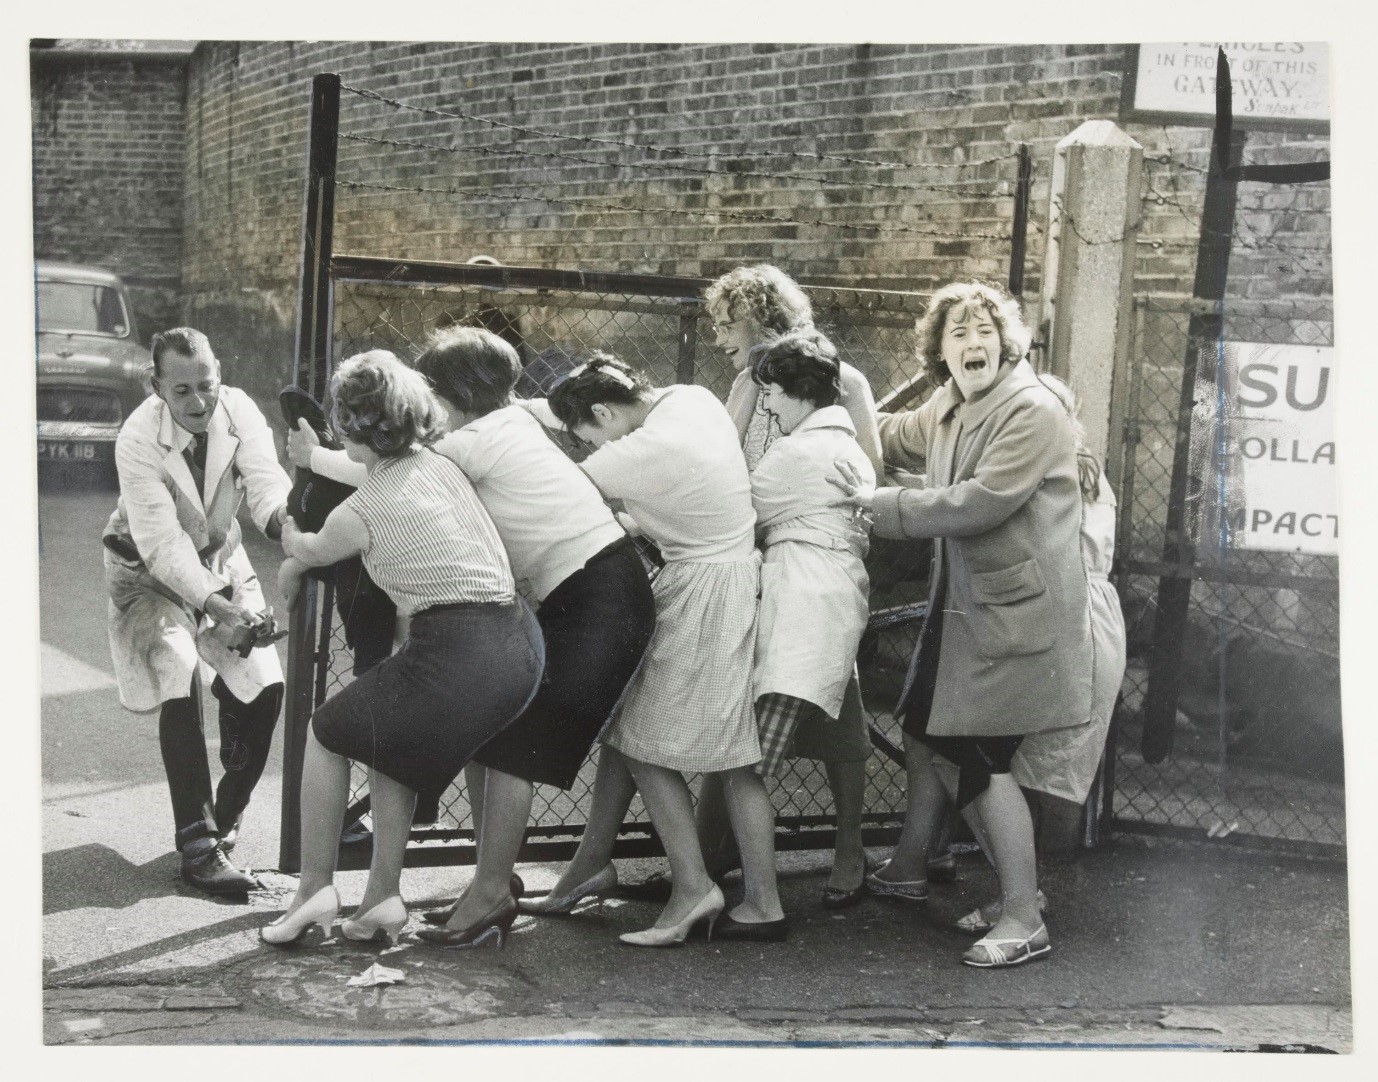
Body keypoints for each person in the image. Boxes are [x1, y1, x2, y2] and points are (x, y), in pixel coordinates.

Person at [289, 328, 657, 942]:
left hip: (597, 595)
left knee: (516, 750)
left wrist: (311, 459)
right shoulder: (510, 425)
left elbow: (390, 469)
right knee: (498, 741)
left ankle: (489, 894)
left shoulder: (477, 441)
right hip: (586, 588)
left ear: (451, 393)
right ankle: (494, 882)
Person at [831, 282, 1094, 968]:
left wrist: (882, 505)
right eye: (957, 333)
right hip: (968, 612)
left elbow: (982, 503)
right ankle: (971, 881)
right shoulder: (950, 402)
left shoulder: (1032, 410)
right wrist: (841, 404)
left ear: (1008, 342)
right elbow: (888, 436)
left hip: (1018, 620)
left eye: (985, 331)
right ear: (939, 351)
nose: (973, 343)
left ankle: (1022, 915)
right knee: (932, 738)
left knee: (978, 758)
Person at [261, 351, 544, 948]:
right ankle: (381, 900)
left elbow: (310, 547)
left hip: (459, 649)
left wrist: (291, 538)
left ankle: (314, 888)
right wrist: (319, 458)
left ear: (346, 425)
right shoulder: (435, 465)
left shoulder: (361, 511)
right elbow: (369, 471)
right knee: (390, 740)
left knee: (325, 732)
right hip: (517, 640)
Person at [527, 354, 785, 944]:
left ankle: (696, 889)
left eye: (584, 436)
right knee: (646, 735)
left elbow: (551, 487)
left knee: (651, 747)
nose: (585, 447)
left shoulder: (631, 455)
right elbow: (567, 416)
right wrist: (523, 411)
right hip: (720, 580)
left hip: (705, 591)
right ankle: (593, 866)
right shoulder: (687, 399)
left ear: (601, 413)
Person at [700, 264, 882, 906]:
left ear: (762, 317)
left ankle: (850, 846)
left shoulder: (839, 379)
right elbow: (721, 458)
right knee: (744, 702)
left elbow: (867, 474)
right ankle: (714, 859)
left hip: (807, 555)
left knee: (836, 707)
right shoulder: (749, 383)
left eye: (729, 322)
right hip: (750, 549)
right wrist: (748, 386)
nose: (719, 334)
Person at [103, 327, 291, 895]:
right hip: (146, 576)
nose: (198, 402)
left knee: (265, 688)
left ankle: (225, 818)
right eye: (181, 390)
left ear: (220, 375)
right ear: (156, 385)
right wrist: (215, 606)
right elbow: (162, 545)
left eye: (206, 385)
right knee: (178, 671)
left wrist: (292, 530)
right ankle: (198, 844)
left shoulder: (240, 411)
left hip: (221, 559)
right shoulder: (137, 438)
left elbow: (265, 486)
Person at [947, 374, 1128, 934]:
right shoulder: (1073, 463)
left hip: (1068, 616)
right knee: (992, 760)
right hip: (1074, 612)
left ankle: (1025, 902)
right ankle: (1020, 893)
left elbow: (984, 508)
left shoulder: (1051, 467)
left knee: (1019, 767)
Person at [746, 329, 875, 903]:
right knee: (839, 721)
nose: (768, 405)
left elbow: (734, 511)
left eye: (770, 392)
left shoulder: (796, 452)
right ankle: (848, 850)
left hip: (802, 604)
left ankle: (720, 872)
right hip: (832, 603)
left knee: (746, 754)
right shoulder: (841, 444)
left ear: (792, 392)